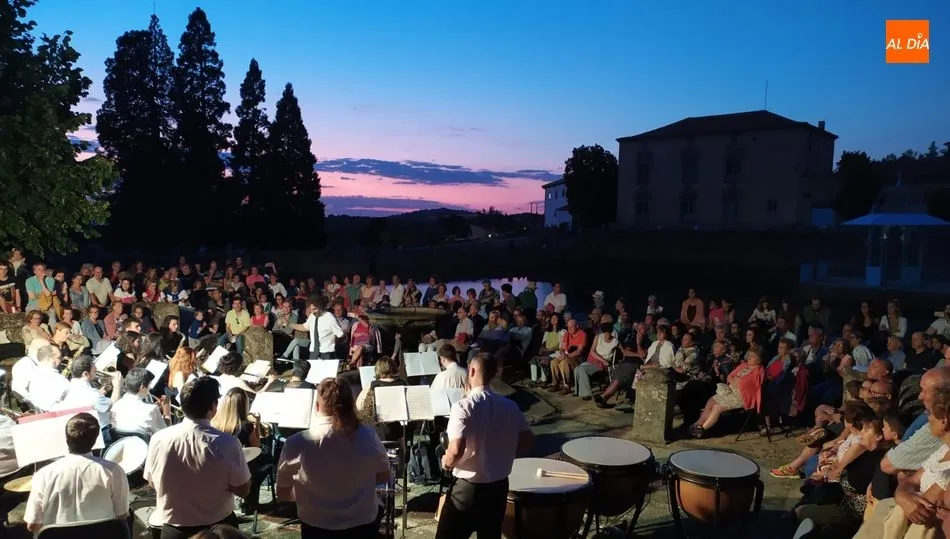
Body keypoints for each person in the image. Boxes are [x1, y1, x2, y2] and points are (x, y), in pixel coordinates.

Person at [435, 353, 534, 539]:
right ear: (494, 374)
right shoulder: (510, 406)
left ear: (471, 371)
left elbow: (456, 450)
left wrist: (447, 463)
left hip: (468, 490)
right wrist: (503, 455)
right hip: (498, 488)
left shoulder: (463, 406)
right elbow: (528, 440)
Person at [277, 377, 391, 538]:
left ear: (316, 407)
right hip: (361, 523)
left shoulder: (295, 443)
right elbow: (383, 475)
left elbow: (283, 492)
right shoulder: (368, 435)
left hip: (316, 525)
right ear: (351, 405)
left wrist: (312, 496)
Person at [144, 377, 251, 539]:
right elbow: (243, 490)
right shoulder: (228, 443)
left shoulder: (158, 439)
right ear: (213, 407)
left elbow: (152, 482)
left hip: (174, 530)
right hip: (219, 529)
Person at [24, 413, 129, 532]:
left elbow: (32, 525)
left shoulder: (43, 475)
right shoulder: (114, 471)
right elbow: (122, 515)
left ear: (66, 439)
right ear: (95, 440)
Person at [289, 295, 344, 360]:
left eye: (314, 309)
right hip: (313, 352)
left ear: (321, 306)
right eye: (310, 309)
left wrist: (331, 342)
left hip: (326, 353)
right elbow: (305, 327)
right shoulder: (312, 316)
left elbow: (340, 334)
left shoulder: (330, 318)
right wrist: (289, 324)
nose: (312, 312)